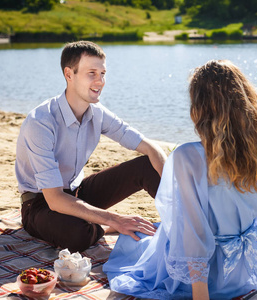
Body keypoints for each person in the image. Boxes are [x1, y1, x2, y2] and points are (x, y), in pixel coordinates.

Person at [103, 60, 257, 299]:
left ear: (201, 108)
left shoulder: (189, 157)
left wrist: (200, 295)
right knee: (153, 233)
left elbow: (192, 230)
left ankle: (116, 228)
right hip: (246, 273)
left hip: (207, 280)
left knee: (136, 245)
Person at [15, 41, 167, 253]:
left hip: (78, 193)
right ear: (69, 74)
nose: (100, 81)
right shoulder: (40, 122)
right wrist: (116, 220)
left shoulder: (98, 113)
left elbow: (150, 147)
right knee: (77, 235)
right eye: (92, 73)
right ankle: (103, 226)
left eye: (103, 73)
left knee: (147, 165)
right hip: (40, 204)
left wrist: (176, 192)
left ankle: (184, 225)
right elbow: (55, 199)